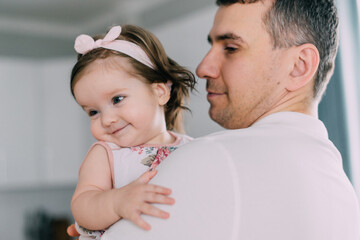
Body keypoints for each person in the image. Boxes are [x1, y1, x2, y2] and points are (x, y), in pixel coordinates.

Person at [69, 0, 360, 239]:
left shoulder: (210, 156)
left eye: (231, 48)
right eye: (92, 111)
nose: (203, 67)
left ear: (299, 66)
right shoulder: (340, 189)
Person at [69, 24, 196, 239]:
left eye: (117, 100)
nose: (107, 119)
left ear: (159, 92)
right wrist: (117, 202)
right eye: (93, 112)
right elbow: (83, 207)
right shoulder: (106, 153)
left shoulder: (191, 148)